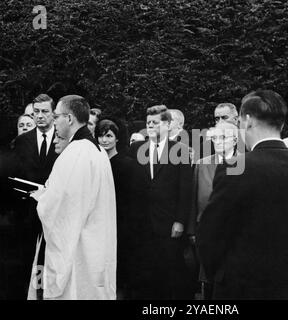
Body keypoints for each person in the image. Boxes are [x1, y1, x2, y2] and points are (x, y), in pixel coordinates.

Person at [196, 90, 288, 299]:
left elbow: (210, 235)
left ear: (246, 121)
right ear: (282, 124)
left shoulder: (234, 167)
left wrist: (221, 275)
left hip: (240, 287)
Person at [27, 95, 116, 300]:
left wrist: (42, 198)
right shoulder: (98, 151)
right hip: (95, 240)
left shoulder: (75, 153)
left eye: (56, 116)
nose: (54, 122)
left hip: (79, 246)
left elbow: (62, 208)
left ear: (69, 118)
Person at [128, 104, 193, 299]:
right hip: (142, 222)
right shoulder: (136, 148)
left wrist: (180, 221)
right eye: (148, 123)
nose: (151, 126)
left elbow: (185, 189)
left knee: (169, 272)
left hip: (169, 222)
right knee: (145, 273)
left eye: (155, 123)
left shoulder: (180, 150)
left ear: (167, 124)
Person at [12, 93, 58, 298]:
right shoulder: (23, 141)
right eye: (36, 112)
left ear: (53, 113)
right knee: (26, 260)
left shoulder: (63, 139)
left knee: (51, 261)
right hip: (28, 212)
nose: (40, 116)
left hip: (55, 212)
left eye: (45, 112)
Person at [96, 118, 147, 299]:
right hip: (99, 224)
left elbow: (135, 199)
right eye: (101, 136)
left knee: (121, 269)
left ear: (117, 138)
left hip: (122, 224)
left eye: (109, 136)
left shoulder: (128, 164)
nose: (105, 140)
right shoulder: (94, 164)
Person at [187, 122, 238, 299]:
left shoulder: (246, 163)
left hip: (235, 234)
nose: (218, 141)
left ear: (235, 140)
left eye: (223, 137)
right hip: (206, 233)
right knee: (208, 282)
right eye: (215, 138)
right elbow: (194, 198)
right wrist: (192, 230)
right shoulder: (202, 164)